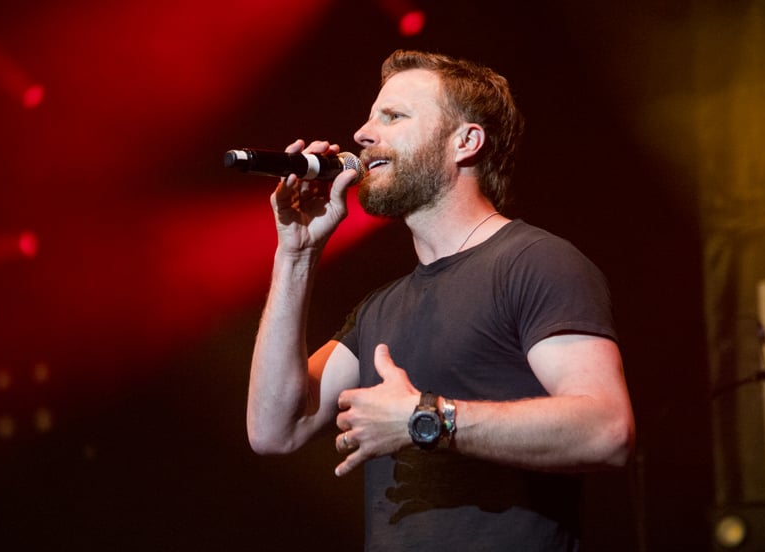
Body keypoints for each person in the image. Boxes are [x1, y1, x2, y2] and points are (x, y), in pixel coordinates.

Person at [246, 49, 635, 550]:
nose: (362, 134)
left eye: (394, 116)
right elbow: (275, 428)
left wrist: (425, 418)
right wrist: (295, 255)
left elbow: (607, 430)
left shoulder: (536, 263)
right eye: (369, 117)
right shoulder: (380, 308)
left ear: (465, 142)